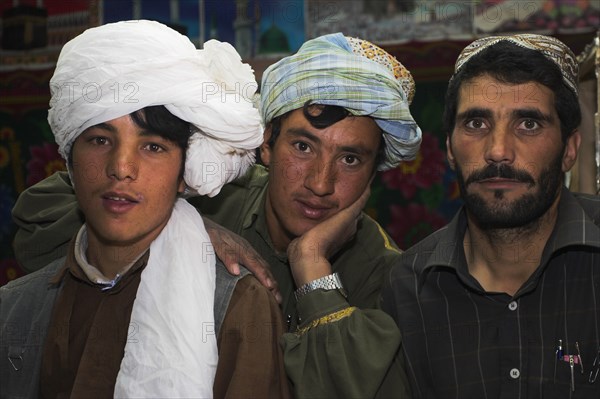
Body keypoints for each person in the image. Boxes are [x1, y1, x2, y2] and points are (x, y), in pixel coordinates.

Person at [10, 33, 422, 397]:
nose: (320, 182)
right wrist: (177, 219)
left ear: (373, 176)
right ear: (265, 146)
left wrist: (313, 267)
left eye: (350, 159)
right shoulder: (213, 186)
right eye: (302, 147)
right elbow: (39, 216)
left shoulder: (389, 275)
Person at [0, 20, 290, 398]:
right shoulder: (15, 308)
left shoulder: (236, 307)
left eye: (153, 147)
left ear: (183, 173)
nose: (121, 167)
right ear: (70, 162)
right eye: (100, 139)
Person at [381, 33, 600, 398]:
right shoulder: (408, 288)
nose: (498, 151)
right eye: (476, 124)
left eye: (528, 123)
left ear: (569, 150)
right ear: (450, 148)